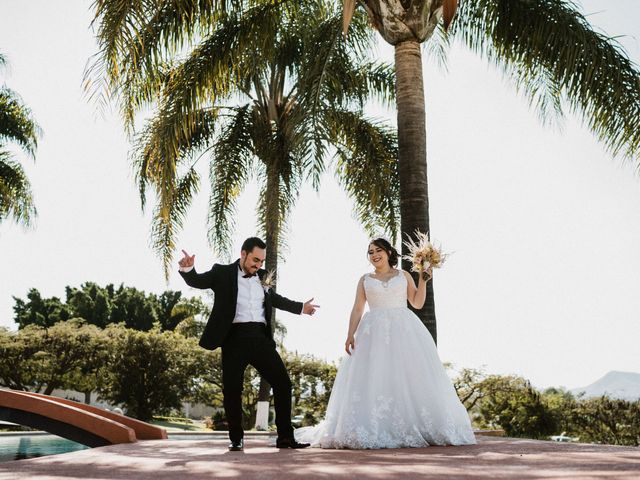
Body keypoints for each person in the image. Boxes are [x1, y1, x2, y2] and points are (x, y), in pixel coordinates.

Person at [295, 238, 476, 449]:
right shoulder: (365, 280)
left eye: (378, 250)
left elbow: (416, 303)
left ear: (389, 252)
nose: (374, 255)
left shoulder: (404, 275)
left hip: (404, 330)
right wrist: (349, 334)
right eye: (370, 252)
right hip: (373, 332)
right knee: (376, 375)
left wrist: (424, 279)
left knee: (407, 376)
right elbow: (357, 309)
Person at [178, 237, 319, 451]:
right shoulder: (222, 273)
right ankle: (236, 438)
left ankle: (285, 438)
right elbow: (199, 281)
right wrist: (188, 270)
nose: (258, 265)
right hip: (234, 338)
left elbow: (276, 299)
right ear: (243, 254)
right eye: (255, 259)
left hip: (260, 339)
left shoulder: (263, 277)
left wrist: (301, 307)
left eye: (261, 261)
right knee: (233, 390)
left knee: (283, 383)